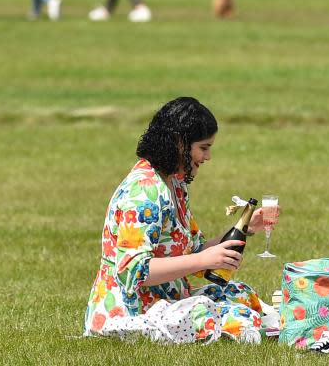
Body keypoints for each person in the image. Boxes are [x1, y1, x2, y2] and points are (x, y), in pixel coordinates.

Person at [83, 97, 278, 342]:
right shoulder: (144, 192)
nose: (208, 157)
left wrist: (246, 228)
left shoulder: (175, 183)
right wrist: (201, 260)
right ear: (179, 143)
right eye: (204, 147)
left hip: (168, 300)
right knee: (237, 318)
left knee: (240, 293)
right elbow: (133, 272)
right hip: (131, 311)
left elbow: (194, 250)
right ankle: (271, 330)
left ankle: (269, 325)